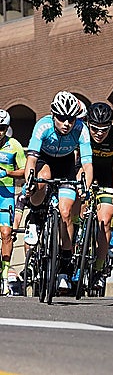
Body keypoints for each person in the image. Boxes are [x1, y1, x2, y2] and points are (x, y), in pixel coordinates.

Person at [24, 91, 93, 292]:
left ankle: (64, 267)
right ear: (53, 115)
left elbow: (87, 164)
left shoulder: (81, 129)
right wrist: (30, 181)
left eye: (71, 119)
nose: (66, 124)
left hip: (66, 165)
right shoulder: (43, 126)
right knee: (42, 176)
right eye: (62, 118)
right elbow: (32, 160)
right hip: (44, 160)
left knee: (65, 212)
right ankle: (36, 217)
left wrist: (86, 188)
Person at [84, 102, 113, 289]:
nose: (99, 133)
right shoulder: (82, 133)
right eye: (95, 129)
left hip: (108, 179)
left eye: (104, 129)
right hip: (87, 174)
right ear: (87, 124)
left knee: (104, 220)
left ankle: (100, 269)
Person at [0, 110, 26, 295]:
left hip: (6, 192)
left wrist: (8, 173)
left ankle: (4, 271)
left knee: (6, 233)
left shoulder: (14, 145)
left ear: (7, 129)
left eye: (2, 128)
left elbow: (24, 170)